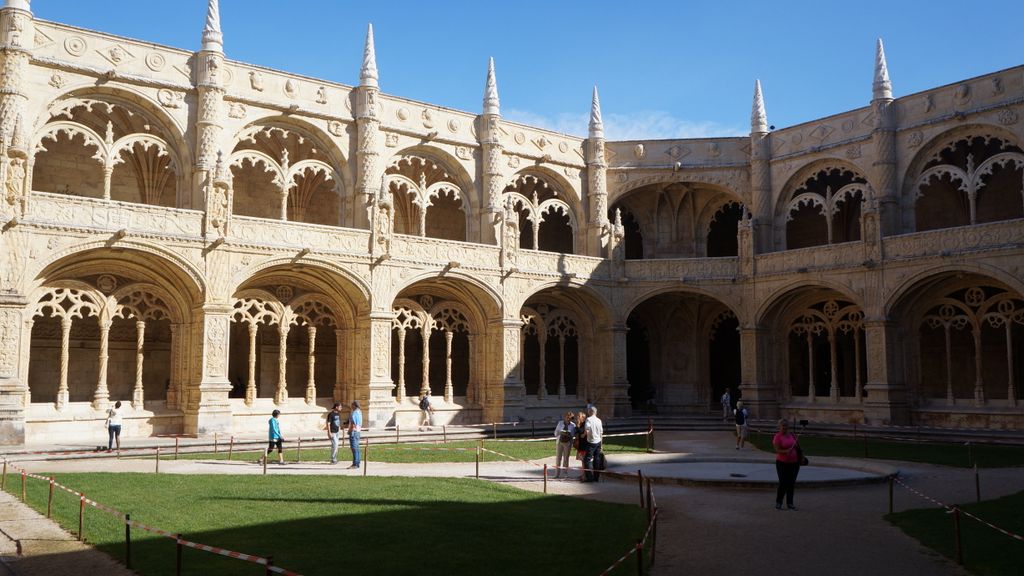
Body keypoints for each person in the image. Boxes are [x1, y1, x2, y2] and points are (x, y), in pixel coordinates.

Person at [772, 418, 800, 510]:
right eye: (783, 426)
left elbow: (798, 446)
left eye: (786, 425)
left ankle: (790, 503)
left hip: (794, 463)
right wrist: (785, 451)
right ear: (779, 427)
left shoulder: (792, 435)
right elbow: (777, 450)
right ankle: (779, 502)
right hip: (782, 463)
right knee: (783, 483)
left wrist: (798, 450)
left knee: (791, 483)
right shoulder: (777, 436)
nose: (785, 427)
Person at [582, 406, 604, 482]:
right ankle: (596, 477)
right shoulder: (599, 420)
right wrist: (601, 444)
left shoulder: (588, 419)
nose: (588, 412)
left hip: (591, 442)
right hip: (598, 442)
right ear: (596, 412)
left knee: (586, 460)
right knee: (596, 459)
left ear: (591, 412)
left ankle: (590, 478)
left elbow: (587, 429)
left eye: (588, 411)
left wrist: (584, 435)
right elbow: (601, 433)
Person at [553, 411, 576, 479]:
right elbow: (555, 433)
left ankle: (565, 473)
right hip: (559, 442)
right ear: (565, 417)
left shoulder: (573, 425)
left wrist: (569, 435)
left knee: (566, 458)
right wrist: (560, 432)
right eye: (567, 417)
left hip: (567, 443)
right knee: (558, 458)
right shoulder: (560, 423)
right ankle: (557, 474)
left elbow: (573, 435)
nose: (568, 419)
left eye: (570, 418)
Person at [348, 400, 363, 469]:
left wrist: (349, 430)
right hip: (358, 431)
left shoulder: (354, 413)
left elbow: (353, 424)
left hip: (354, 431)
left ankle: (355, 464)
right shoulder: (359, 412)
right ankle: (357, 462)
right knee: (357, 448)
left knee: (354, 448)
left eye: (352, 405)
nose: (351, 406)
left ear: (354, 405)